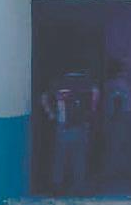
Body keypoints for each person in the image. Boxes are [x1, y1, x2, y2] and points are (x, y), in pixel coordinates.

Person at [39, 68, 99, 196]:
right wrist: (92, 110)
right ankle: (78, 186)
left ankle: (58, 186)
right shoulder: (85, 82)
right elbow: (95, 93)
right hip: (79, 124)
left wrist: (51, 114)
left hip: (63, 125)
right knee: (78, 157)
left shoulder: (58, 83)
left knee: (60, 157)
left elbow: (44, 97)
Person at [101, 60, 131, 193]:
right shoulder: (118, 84)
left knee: (115, 145)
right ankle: (115, 172)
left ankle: (116, 171)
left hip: (117, 117)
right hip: (119, 118)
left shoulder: (112, 84)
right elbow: (118, 102)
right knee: (117, 145)